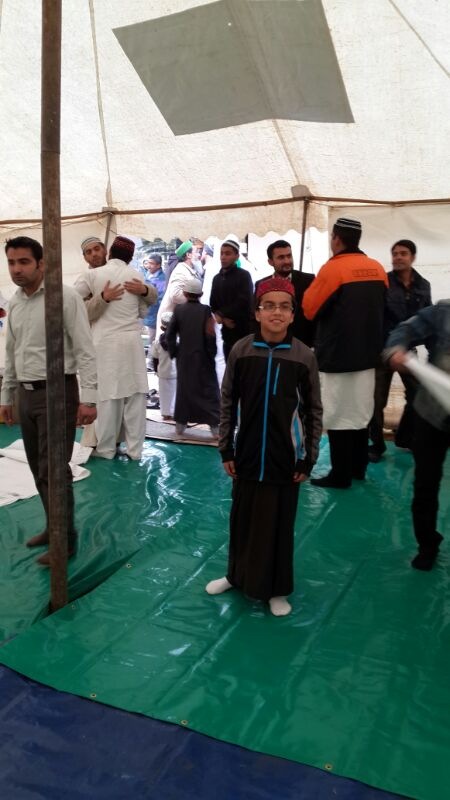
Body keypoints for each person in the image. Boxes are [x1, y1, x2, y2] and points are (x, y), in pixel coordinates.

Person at [205, 277, 322, 617]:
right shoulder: (241, 351)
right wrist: (226, 448)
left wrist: (308, 458)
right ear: (257, 313)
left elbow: (313, 411)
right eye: (268, 306)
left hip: (285, 457)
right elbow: (228, 402)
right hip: (247, 453)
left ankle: (277, 589)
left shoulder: (303, 356)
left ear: (292, 314)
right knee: (242, 519)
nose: (276, 312)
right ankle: (235, 575)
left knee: (278, 525)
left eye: (284, 307)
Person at [0, 236, 97, 565]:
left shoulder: (64, 297)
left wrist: (89, 398)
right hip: (26, 395)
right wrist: (7, 395)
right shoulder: (15, 303)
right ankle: (53, 528)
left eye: (24, 262)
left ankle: (65, 540)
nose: (16, 269)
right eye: (11, 262)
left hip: (58, 392)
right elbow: (11, 351)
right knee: (37, 469)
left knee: (55, 470)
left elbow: (85, 348)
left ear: (41, 264)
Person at [302, 217, 387, 488]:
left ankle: (340, 475)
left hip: (338, 357)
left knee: (338, 415)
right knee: (360, 414)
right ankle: (358, 469)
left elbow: (309, 308)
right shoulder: (378, 269)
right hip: (368, 356)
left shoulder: (333, 269)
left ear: (337, 239)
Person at [75, 235, 157, 460]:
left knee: (108, 398)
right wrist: (103, 298)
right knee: (135, 397)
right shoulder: (136, 274)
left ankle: (106, 450)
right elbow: (143, 311)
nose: (94, 254)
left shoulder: (92, 276)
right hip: (131, 343)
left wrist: (145, 291)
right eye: (89, 252)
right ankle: (135, 451)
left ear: (107, 251)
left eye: (97, 249)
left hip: (104, 344)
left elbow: (70, 302)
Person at [385, 300, 450, 570]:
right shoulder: (444, 312)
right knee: (425, 483)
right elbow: (406, 329)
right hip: (432, 412)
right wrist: (396, 350)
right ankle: (427, 544)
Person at [368, 239, 432, 461]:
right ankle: (376, 446)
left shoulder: (423, 285)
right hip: (382, 350)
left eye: (403, 253)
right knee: (376, 401)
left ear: (412, 257)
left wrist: (431, 350)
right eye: (394, 253)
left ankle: (405, 437)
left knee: (418, 395)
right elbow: (375, 316)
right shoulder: (383, 282)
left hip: (408, 351)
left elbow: (427, 319)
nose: (398, 257)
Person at [166, 277, 220, 437]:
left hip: (184, 358)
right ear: (200, 294)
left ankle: (180, 427)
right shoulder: (206, 311)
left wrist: (175, 352)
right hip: (203, 358)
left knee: (184, 391)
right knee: (208, 391)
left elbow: (170, 334)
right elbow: (210, 335)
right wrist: (211, 355)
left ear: (185, 293)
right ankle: (214, 428)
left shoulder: (179, 310)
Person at [254, 239, 315, 346]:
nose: (287, 261)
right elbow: (255, 315)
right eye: (281, 257)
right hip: (270, 344)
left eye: (289, 256)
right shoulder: (262, 285)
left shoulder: (308, 281)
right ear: (270, 262)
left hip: (301, 345)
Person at [210, 238, 254, 361]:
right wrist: (224, 319)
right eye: (222, 253)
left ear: (237, 256)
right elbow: (213, 303)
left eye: (228, 253)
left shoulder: (244, 275)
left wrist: (221, 314)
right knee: (229, 367)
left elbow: (244, 301)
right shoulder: (217, 279)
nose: (223, 257)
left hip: (244, 333)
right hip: (227, 335)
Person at [157, 240, 200, 331]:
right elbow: (175, 295)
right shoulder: (181, 271)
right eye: (196, 252)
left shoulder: (188, 269)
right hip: (170, 322)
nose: (199, 255)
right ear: (188, 255)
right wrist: (195, 299)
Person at [151, 311, 177, 420]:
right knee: (174, 394)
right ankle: (173, 413)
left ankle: (165, 413)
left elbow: (154, 358)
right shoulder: (178, 340)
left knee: (164, 394)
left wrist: (156, 370)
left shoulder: (157, 342)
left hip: (162, 372)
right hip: (176, 372)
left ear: (162, 327)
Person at [142, 253, 166, 347]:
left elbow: (159, 298)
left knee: (152, 341)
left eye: (151, 263)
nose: (148, 266)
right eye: (148, 263)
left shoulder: (161, 279)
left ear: (158, 265)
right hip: (147, 313)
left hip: (154, 315)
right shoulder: (147, 274)